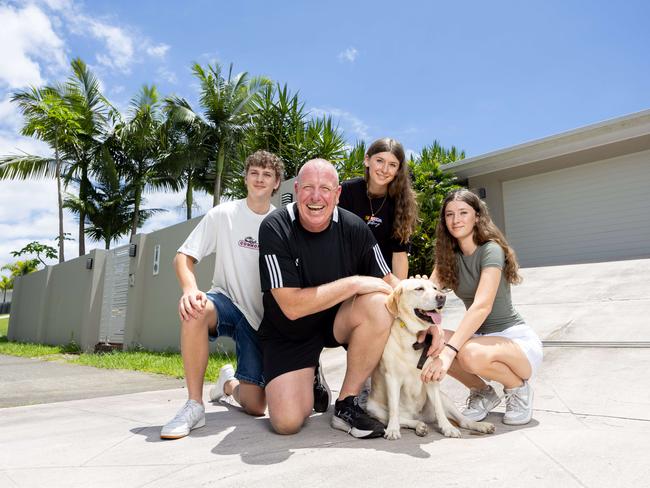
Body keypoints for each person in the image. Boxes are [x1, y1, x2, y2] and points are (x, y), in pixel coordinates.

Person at [258, 158, 399, 438]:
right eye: (308, 187)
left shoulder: (354, 227)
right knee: (286, 423)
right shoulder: (275, 227)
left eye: (325, 188)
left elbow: (389, 283)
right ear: (296, 190)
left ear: (337, 194)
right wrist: (354, 282)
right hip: (290, 330)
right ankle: (310, 373)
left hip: (336, 322)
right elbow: (292, 306)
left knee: (379, 303)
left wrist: (425, 313)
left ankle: (346, 403)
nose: (315, 197)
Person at [160, 150, 284, 440]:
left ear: (277, 182)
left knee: (256, 406)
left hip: (261, 321)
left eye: (267, 174)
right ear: (245, 177)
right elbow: (183, 258)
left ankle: (227, 384)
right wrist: (191, 290)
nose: (259, 178)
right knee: (196, 308)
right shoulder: (223, 214)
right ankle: (194, 405)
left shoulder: (281, 222)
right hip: (226, 302)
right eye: (254, 172)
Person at [421, 189, 543, 426]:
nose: (456, 220)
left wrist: (448, 354)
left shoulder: (490, 249)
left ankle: (518, 389)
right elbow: (429, 292)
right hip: (479, 338)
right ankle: (482, 392)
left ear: (477, 216)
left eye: (463, 213)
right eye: (449, 214)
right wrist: (417, 289)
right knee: (426, 340)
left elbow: (481, 306)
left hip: (513, 340)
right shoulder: (448, 256)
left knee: (469, 354)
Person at [338, 137, 417, 279]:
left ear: (398, 170)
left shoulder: (401, 201)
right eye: (379, 161)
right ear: (367, 160)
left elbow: (399, 255)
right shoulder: (347, 191)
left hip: (382, 280)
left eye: (392, 165)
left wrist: (399, 295)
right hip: (346, 277)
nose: (385, 169)